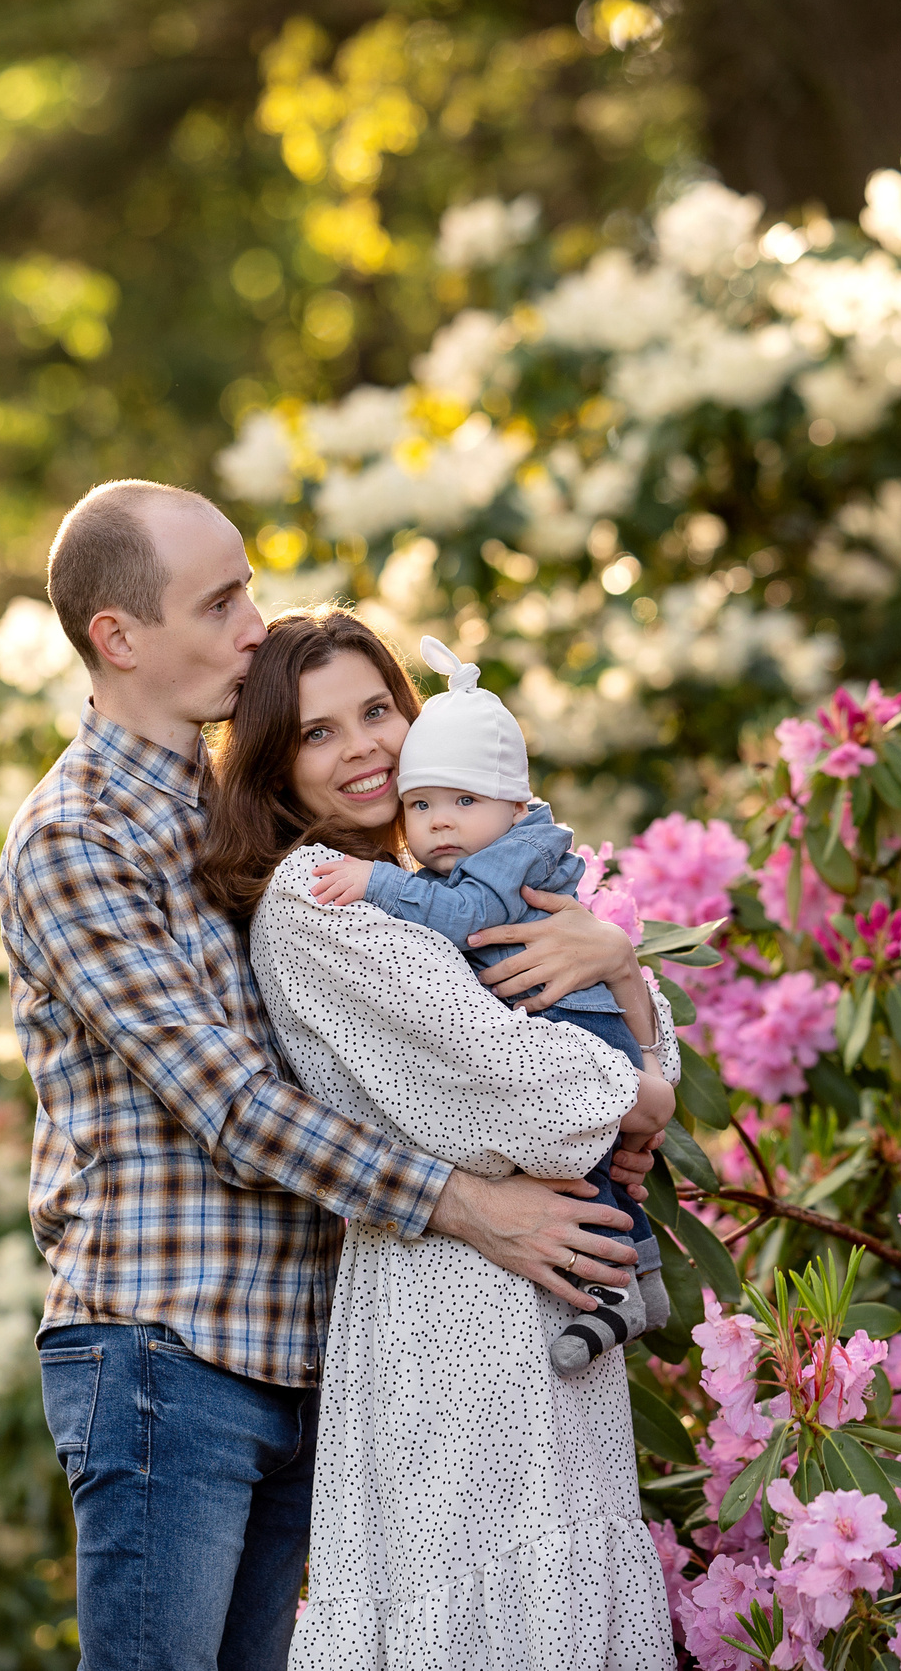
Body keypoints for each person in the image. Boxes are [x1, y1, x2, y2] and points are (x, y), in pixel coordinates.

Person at [0, 480, 658, 1671]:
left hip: (302, 1347)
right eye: (222, 600)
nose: (254, 622)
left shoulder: (242, 823)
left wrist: (622, 984)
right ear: (120, 637)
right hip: (165, 1347)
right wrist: (473, 1207)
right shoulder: (74, 836)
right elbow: (234, 1107)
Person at [194, 605, 679, 1670]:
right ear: (277, 771)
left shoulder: (467, 877)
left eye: (377, 710)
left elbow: (618, 1056)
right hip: (446, 1308)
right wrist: (638, 1096)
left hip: (552, 1283)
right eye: (320, 732)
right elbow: (513, 1094)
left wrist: (622, 968)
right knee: (477, 1603)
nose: (364, 745)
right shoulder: (318, 904)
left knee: (562, 1590)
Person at [306, 634, 669, 1378]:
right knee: (606, 1165)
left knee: (589, 1170)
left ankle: (618, 1289)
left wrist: (374, 883)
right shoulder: (454, 853)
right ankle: (646, 1273)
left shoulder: (493, 861)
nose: (438, 822)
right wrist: (644, 1080)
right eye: (424, 805)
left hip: (575, 1030)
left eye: (378, 709)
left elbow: (467, 916)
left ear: (511, 801)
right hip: (581, 1047)